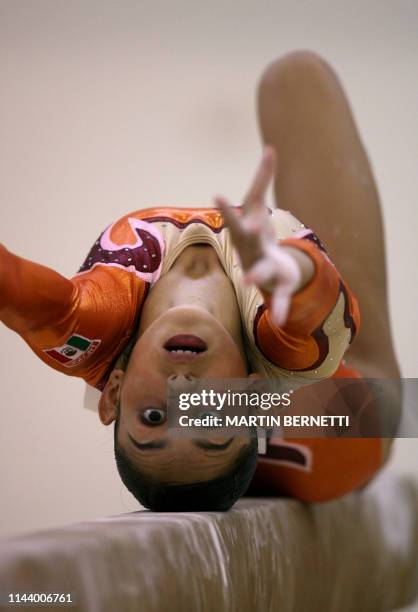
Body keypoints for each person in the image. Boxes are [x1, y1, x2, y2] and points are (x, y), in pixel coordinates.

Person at [0, 51, 400, 511]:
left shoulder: (89, 328)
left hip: (230, 444)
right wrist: (286, 271)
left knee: (293, 78)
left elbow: (10, 286)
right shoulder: (287, 346)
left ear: (112, 392)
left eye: (154, 417)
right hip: (341, 432)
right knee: (298, 77)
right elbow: (313, 300)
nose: (184, 391)